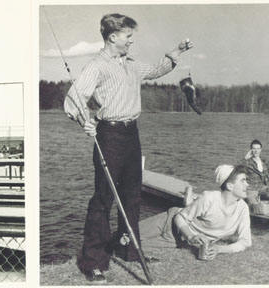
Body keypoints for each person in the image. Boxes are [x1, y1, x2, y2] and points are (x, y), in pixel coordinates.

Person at [62, 13, 192, 283]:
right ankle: (93, 262)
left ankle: (129, 250)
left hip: (132, 134)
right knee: (103, 200)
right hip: (108, 135)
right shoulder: (97, 66)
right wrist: (85, 121)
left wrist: (176, 51)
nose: (132, 41)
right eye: (128, 36)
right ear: (112, 37)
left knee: (132, 196)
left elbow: (156, 70)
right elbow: (73, 99)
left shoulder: (131, 65)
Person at [139, 165, 252, 260]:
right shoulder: (209, 198)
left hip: (177, 240)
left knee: (131, 247)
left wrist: (219, 249)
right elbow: (180, 217)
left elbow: (245, 242)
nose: (247, 184)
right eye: (243, 181)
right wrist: (191, 236)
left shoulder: (243, 209)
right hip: (169, 221)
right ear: (229, 186)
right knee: (126, 235)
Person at [239, 139, 269, 205]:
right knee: (255, 207)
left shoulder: (265, 161)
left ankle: (263, 202)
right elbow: (236, 170)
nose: (256, 151)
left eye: (258, 149)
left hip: (263, 188)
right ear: (251, 150)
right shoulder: (247, 162)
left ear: (261, 149)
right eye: (254, 148)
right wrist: (245, 158)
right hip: (251, 189)